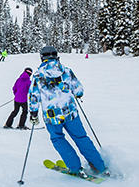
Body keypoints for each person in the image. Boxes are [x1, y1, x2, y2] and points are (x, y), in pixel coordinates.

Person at [29, 46, 107, 177]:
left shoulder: (38, 75)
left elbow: (34, 96)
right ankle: (99, 166)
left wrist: (33, 113)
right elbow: (78, 90)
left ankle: (75, 167)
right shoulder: (66, 71)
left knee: (58, 139)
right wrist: (76, 94)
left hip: (52, 117)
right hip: (71, 113)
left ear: (42, 58)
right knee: (81, 138)